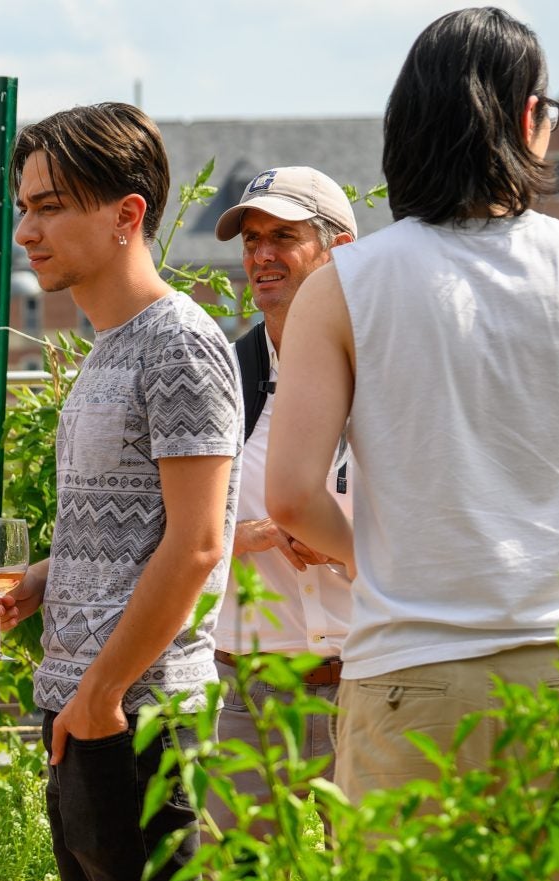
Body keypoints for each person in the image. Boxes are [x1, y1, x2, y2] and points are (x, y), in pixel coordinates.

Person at [262, 6, 559, 881]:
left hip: (411, 676)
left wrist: (376, 558)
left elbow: (290, 496)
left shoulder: (344, 286)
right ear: (525, 120)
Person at [0, 102, 238, 881]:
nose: (25, 230)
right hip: (85, 707)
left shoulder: (180, 346)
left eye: (50, 205)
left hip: (139, 715)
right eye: (23, 205)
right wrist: (47, 577)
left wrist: (101, 695)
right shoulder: (108, 346)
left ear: (128, 214)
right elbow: (138, 531)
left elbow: (198, 545)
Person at [202, 166, 358, 832]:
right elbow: (163, 530)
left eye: (283, 236)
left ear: (340, 249)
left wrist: (349, 549)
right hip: (249, 701)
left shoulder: (390, 375)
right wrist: (241, 537)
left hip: (368, 686)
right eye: (252, 240)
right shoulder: (221, 379)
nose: (261, 255)